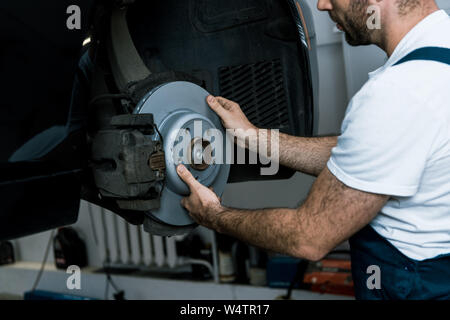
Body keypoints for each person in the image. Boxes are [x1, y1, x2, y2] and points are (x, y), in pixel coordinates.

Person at [176, 0, 450, 299]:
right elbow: (375, 155)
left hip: (415, 284)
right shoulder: (438, 55)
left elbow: (308, 237)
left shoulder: (398, 93)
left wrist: (213, 215)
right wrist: (255, 138)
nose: (322, 5)